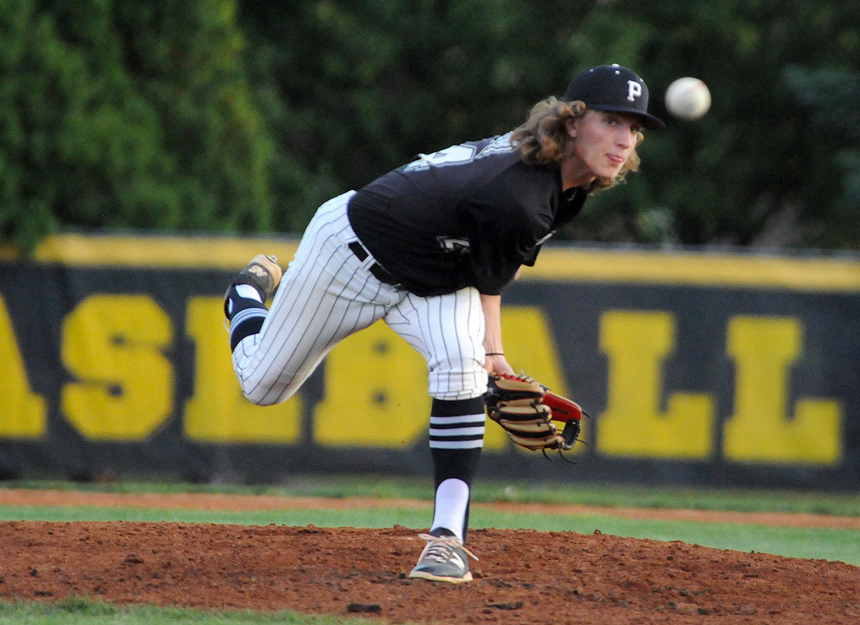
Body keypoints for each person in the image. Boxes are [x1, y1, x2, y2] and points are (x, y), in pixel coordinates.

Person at [222, 63, 665, 583]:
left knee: (461, 367)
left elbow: (492, 267)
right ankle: (246, 295)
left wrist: (484, 365)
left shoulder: (566, 182)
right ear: (572, 122)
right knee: (260, 386)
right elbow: (492, 283)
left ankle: (446, 541)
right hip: (350, 253)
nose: (624, 140)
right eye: (612, 122)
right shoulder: (519, 194)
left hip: (433, 276)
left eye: (634, 129)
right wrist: (497, 359)